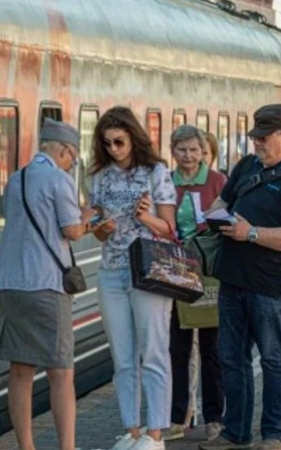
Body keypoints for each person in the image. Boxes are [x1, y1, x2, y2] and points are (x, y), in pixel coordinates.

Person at [202, 104, 281, 450]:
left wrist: (251, 233)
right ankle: (234, 432)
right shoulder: (246, 167)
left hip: (273, 285)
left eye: (264, 138)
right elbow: (220, 203)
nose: (257, 143)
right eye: (255, 137)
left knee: (274, 359)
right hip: (233, 278)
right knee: (231, 358)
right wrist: (215, 218)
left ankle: (275, 435)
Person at [0, 119, 96, 450]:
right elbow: (72, 231)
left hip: (9, 283)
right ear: (64, 150)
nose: (72, 163)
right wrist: (89, 216)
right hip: (46, 285)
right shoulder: (59, 180)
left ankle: (26, 447)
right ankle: (66, 447)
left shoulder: (16, 180)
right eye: (73, 157)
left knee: (20, 370)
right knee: (61, 372)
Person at [89, 106, 178, 450]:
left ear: (133, 137)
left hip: (149, 270)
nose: (114, 149)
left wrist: (147, 218)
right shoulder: (98, 176)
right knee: (122, 357)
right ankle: (132, 429)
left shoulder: (156, 172)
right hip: (111, 270)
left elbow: (171, 230)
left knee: (153, 351)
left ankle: (156, 433)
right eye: (107, 143)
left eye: (119, 141)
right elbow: (98, 232)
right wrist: (102, 228)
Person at [166, 125, 227, 441]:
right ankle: (178, 416)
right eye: (181, 150)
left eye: (193, 150)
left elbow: (228, 218)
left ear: (203, 151)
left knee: (211, 348)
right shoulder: (166, 182)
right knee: (177, 347)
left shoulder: (217, 181)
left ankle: (214, 416)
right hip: (176, 269)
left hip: (209, 269)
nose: (188, 157)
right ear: (172, 151)